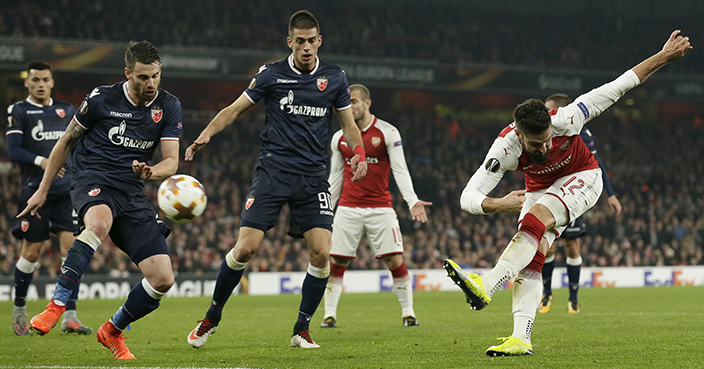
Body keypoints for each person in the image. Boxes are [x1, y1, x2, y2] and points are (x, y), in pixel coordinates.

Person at [444, 31, 690, 356]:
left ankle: (486, 284)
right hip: (541, 189)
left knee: (534, 220)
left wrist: (663, 56)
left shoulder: (569, 117)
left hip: (584, 177)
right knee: (532, 259)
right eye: (536, 144)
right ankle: (521, 338)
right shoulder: (505, 147)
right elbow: (468, 196)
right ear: (519, 136)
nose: (545, 147)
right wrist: (495, 203)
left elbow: (621, 85)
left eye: (547, 139)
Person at [184, 10, 368, 349]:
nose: (307, 47)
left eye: (312, 41)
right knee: (245, 248)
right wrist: (206, 133)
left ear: (319, 41)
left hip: (313, 177)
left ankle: (301, 329)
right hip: (273, 172)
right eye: (300, 41)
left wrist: (359, 154)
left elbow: (349, 126)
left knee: (321, 253)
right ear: (290, 42)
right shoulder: (271, 74)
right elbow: (235, 109)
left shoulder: (335, 78)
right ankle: (211, 317)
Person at [18, 41, 182, 360]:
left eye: (156, 77)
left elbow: (171, 161)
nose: (150, 84)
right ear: (127, 74)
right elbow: (66, 141)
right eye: (142, 78)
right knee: (99, 223)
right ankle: (57, 304)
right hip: (92, 177)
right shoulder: (101, 98)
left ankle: (112, 330)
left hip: (132, 190)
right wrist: (42, 189)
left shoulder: (168, 105)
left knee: (163, 279)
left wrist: (151, 171)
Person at [320, 84, 431, 329]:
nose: (351, 107)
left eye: (355, 102)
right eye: (348, 103)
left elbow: (400, 170)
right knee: (337, 262)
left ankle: (408, 313)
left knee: (394, 260)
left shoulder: (387, 132)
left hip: (380, 208)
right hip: (348, 208)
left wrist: (412, 201)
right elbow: (335, 178)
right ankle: (329, 315)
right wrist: (326, 210)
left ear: (367, 103)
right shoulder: (339, 138)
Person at [6, 61, 92, 336]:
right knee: (31, 253)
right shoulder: (19, 111)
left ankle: (70, 316)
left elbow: (77, 145)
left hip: (67, 191)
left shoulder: (67, 110)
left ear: (52, 82)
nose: (41, 84)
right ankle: (20, 308)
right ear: (27, 83)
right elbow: (14, 149)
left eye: (45, 79)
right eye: (36, 80)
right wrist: (43, 161)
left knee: (73, 251)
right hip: (35, 190)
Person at [539, 93, 623, 315]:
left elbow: (596, 163)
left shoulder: (580, 132)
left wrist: (610, 194)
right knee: (548, 245)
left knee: (571, 245)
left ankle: (573, 299)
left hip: (572, 195)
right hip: (551, 193)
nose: (546, 115)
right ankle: (546, 294)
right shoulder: (549, 132)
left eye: (550, 110)